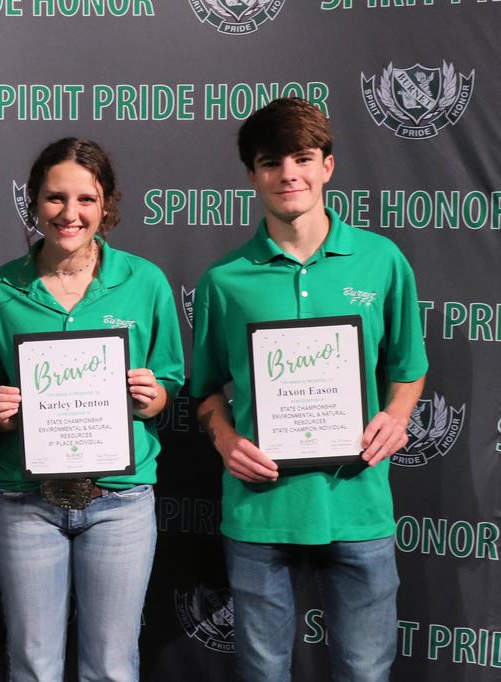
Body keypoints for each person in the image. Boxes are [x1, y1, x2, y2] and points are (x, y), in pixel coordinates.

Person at [189, 97, 428, 682]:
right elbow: (205, 391)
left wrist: (397, 415)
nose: (288, 174)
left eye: (302, 158)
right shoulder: (224, 280)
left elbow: (409, 368)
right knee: (262, 672)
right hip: (260, 509)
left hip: (358, 502)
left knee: (365, 671)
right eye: (271, 162)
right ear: (252, 175)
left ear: (327, 165)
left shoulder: (381, 261)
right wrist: (225, 440)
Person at [0, 137, 185, 681]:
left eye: (86, 199)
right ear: (34, 203)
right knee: (33, 664)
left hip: (120, 499)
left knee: (110, 665)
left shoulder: (145, 281)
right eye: (55, 198)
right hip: (25, 499)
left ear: (106, 204)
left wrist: (152, 396)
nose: (70, 213)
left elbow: (170, 381)